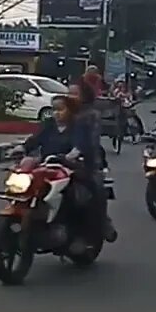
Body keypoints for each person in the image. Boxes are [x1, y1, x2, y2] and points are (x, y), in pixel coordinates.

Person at [18, 94, 116, 243]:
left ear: (70, 110)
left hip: (74, 168)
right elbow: (35, 140)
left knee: (88, 193)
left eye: (60, 109)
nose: (56, 113)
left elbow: (80, 144)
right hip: (48, 167)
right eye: (54, 109)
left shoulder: (79, 126)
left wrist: (72, 155)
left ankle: (100, 225)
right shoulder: (49, 125)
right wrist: (22, 147)